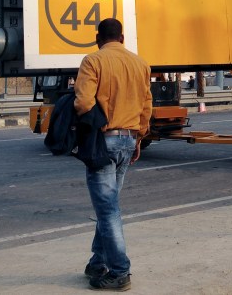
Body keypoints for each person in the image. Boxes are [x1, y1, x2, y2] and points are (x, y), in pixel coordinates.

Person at [74, 18, 152, 291]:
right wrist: (140, 135)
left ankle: (120, 271)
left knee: (108, 211)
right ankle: (97, 262)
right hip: (129, 139)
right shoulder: (140, 64)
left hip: (103, 142)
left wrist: (94, 120)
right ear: (121, 38)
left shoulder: (93, 61)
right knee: (108, 207)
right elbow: (146, 104)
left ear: (99, 38)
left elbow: (83, 102)